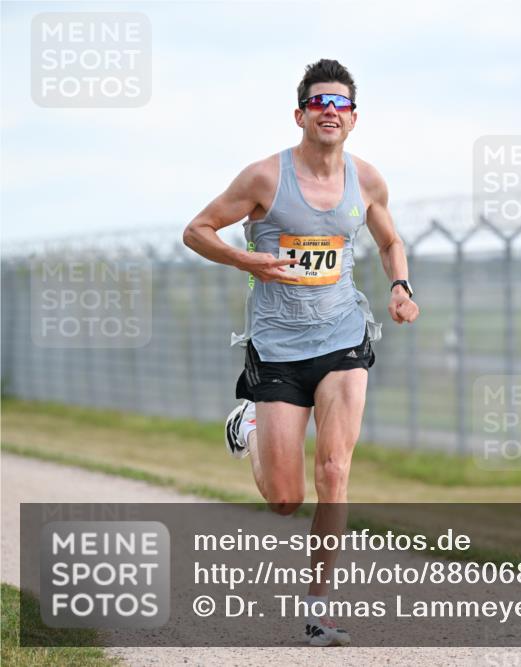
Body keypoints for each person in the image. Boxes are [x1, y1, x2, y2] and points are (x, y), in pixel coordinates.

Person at [182, 58, 418, 647]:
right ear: (301, 114)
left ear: (354, 118)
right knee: (285, 499)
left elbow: (389, 239)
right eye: (320, 103)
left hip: (342, 335)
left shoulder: (366, 181)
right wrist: (250, 259)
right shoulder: (265, 178)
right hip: (277, 348)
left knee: (335, 471)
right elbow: (197, 230)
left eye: (340, 104)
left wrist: (400, 285)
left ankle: (318, 608)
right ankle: (252, 419)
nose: (330, 111)